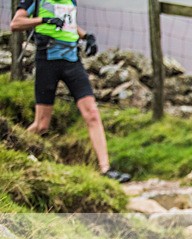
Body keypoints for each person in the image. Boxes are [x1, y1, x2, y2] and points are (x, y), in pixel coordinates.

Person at [10, 0, 130, 183]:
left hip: (72, 61)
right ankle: (13, 154)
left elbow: (68, 23)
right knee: (41, 125)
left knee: (92, 114)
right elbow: (16, 23)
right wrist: (44, 20)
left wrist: (86, 36)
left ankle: (105, 169)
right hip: (47, 60)